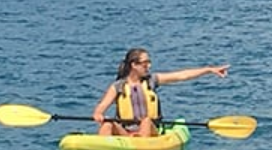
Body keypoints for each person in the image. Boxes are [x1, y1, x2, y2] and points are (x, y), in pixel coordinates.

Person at [92, 48, 229, 136]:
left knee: (146, 121)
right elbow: (102, 106)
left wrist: (208, 70)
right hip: (126, 133)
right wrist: (98, 114)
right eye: (145, 63)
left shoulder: (152, 80)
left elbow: (181, 75)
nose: (149, 66)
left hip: (150, 132)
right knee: (108, 123)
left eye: (149, 62)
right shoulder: (118, 86)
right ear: (134, 65)